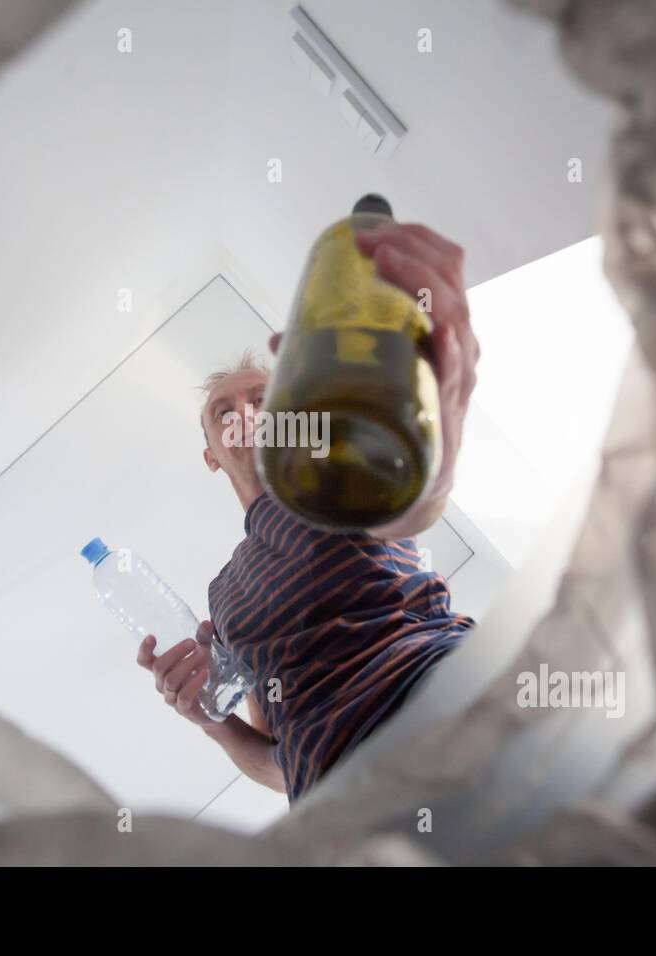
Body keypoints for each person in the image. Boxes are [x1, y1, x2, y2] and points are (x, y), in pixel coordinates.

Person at [137, 221, 482, 801]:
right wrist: (213, 722)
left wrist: (437, 444)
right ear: (211, 457)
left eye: (260, 400)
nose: (242, 412)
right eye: (223, 410)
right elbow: (277, 765)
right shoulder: (223, 597)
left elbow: (411, 509)